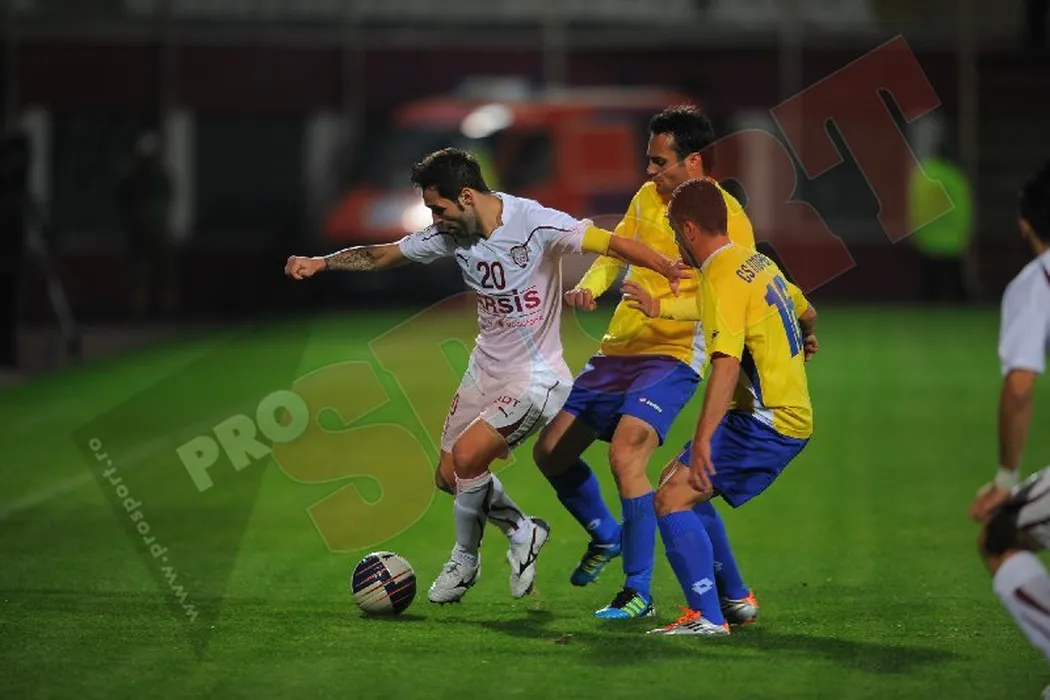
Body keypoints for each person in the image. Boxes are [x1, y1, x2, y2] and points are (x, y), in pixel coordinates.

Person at [284, 147, 686, 604]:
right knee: (448, 476)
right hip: (485, 367)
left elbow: (610, 243)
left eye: (439, 208)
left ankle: (465, 560)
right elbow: (382, 256)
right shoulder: (451, 234)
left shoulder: (534, 222)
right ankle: (521, 530)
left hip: (535, 377)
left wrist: (666, 267)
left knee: (469, 458)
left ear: (467, 196)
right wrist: (322, 262)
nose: (435, 219)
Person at [532, 105, 759, 621]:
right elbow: (619, 251)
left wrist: (664, 307)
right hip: (620, 348)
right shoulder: (646, 198)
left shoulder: (728, 218)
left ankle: (637, 591)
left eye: (659, 162)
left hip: (674, 352)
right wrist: (591, 286)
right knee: (551, 453)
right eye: (649, 161)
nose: (649, 171)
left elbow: (729, 297)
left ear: (693, 161)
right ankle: (610, 535)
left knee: (626, 455)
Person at [645, 178, 817, 636]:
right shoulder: (751, 261)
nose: (676, 242)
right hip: (773, 411)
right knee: (676, 482)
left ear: (689, 228)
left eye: (675, 231)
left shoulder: (721, 277)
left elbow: (724, 364)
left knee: (672, 498)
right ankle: (735, 599)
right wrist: (806, 336)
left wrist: (702, 439)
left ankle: (706, 617)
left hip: (768, 420)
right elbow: (806, 311)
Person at [969, 161, 1050, 663]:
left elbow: (1020, 384)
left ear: (1025, 226)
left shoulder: (1038, 281)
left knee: (1000, 536)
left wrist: (1005, 477)